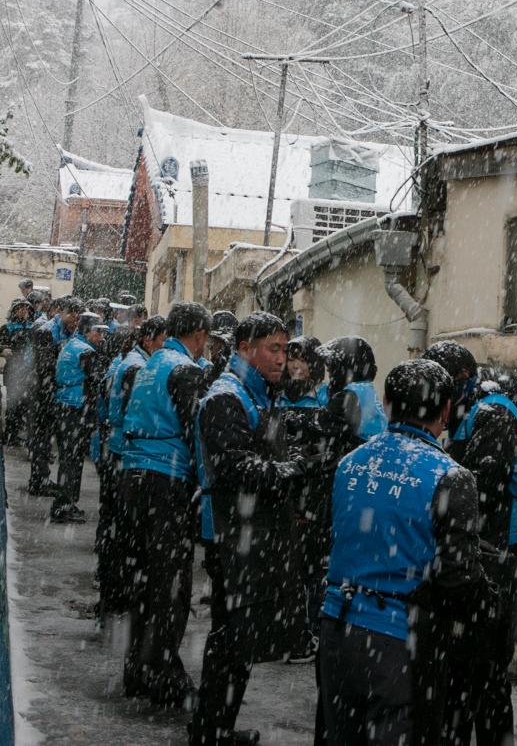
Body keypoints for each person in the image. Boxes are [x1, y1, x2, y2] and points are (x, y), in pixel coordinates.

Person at [318, 358, 489, 746]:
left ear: (388, 403)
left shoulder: (350, 464)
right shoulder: (450, 476)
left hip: (336, 629)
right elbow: (457, 576)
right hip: (398, 642)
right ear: (446, 410)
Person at [423, 340, 517, 745]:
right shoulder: (469, 410)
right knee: (476, 667)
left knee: (487, 668)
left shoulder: (492, 413)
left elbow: (483, 489)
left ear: (461, 379)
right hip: (490, 549)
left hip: (510, 551)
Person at [189, 312, 305, 746]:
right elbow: (233, 464)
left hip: (250, 531)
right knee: (229, 639)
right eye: (273, 350)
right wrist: (284, 473)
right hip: (230, 533)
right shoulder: (227, 396)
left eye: (284, 350)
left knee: (238, 639)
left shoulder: (258, 394)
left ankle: (217, 726)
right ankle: (210, 730)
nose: (282, 360)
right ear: (244, 348)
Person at [119, 302, 211, 706]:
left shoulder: (149, 364)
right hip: (165, 481)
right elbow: (197, 431)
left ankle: (137, 669)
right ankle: (163, 673)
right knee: (170, 583)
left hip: (132, 477)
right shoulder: (185, 369)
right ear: (200, 335)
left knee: (142, 578)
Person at [276, 335, 353, 662]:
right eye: (291, 359)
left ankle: (311, 630)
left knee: (312, 565)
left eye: (302, 360)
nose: (295, 366)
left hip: (315, 488)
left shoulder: (326, 397)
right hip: (285, 486)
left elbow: (329, 439)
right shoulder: (278, 395)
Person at [98, 315, 167, 617]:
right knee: (120, 529)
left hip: (118, 449)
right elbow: (131, 413)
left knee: (116, 525)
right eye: (163, 340)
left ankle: (112, 589)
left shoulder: (131, 363)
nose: (166, 347)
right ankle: (115, 594)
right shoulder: (137, 368)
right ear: (148, 341)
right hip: (123, 453)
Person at [50, 311, 109, 523]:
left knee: (68, 459)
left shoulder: (70, 346)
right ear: (87, 331)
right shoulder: (86, 352)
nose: (101, 337)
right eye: (98, 332)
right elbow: (97, 380)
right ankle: (65, 506)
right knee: (73, 461)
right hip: (76, 409)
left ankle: (63, 504)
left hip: (64, 405)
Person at [26, 296, 82, 496]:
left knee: (48, 439)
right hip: (42, 392)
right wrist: (63, 358)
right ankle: (38, 481)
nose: (75, 319)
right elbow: (43, 365)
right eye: (72, 314)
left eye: (78, 316)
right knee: (41, 438)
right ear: (61, 312)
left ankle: (43, 478)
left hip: (55, 392)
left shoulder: (71, 333)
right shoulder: (46, 331)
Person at [320, 336, 389, 441]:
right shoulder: (365, 390)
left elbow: (322, 424)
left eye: (331, 365)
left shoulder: (348, 397)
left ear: (343, 367)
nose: (328, 370)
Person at [0, 299, 36, 446]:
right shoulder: (8, 327)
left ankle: (19, 433)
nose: (23, 311)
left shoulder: (33, 327)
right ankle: (10, 434)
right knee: (13, 404)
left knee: (25, 404)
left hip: (29, 372)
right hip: (13, 371)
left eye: (26, 309)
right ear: (14, 311)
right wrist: (2, 350)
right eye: (20, 309)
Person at [206, 310, 238, 383]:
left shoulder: (231, 372)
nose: (209, 346)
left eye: (212, 340)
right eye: (209, 340)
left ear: (224, 343)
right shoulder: (216, 367)